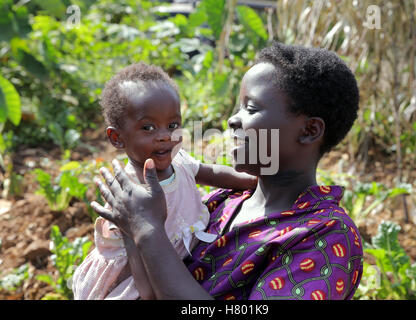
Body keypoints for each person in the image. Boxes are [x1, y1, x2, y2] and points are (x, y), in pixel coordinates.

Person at [90, 43, 364, 300]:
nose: (233, 119)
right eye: (238, 106)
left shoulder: (325, 235)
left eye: (251, 108)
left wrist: (145, 230)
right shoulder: (224, 201)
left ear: (309, 130)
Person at [72, 62, 257, 300]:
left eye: (172, 125)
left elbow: (210, 172)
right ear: (117, 137)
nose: (165, 136)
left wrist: (252, 181)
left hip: (173, 262)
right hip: (135, 279)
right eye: (148, 127)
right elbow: (146, 287)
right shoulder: (131, 195)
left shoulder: (177, 159)